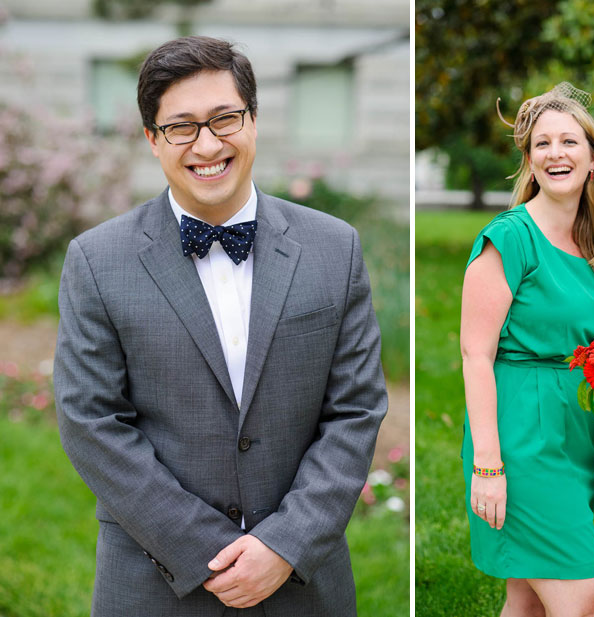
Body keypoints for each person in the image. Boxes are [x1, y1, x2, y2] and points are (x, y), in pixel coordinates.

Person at [53, 36, 387, 617]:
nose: (207, 144)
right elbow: (91, 423)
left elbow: (355, 410)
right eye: (181, 127)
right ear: (153, 141)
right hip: (155, 583)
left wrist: (285, 544)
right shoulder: (96, 260)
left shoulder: (335, 248)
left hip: (304, 584)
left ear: (253, 120)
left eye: (224, 119)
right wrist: (206, 550)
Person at [459, 83, 594, 617]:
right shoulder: (509, 239)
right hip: (521, 437)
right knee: (582, 601)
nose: (555, 153)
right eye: (542, 144)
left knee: (527, 602)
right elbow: (475, 357)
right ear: (529, 160)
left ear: (591, 159)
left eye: (569, 142)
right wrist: (488, 467)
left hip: (574, 434)